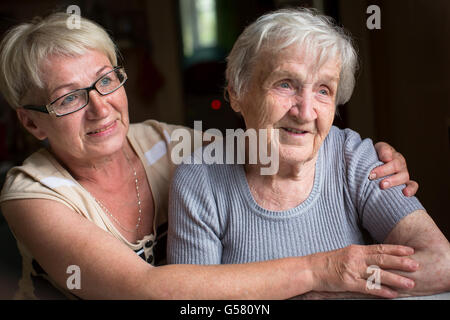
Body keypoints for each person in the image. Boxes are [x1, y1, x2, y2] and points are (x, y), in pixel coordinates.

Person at [0, 12, 417, 300]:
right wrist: (321, 271)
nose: (100, 107)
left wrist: (367, 159)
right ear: (33, 123)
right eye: (69, 97)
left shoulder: (169, 143)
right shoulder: (30, 194)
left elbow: (271, 134)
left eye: (106, 80)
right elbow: (147, 291)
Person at [167, 8, 450, 299]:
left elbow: (442, 263)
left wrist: (324, 293)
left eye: (323, 90)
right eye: (285, 84)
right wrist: (324, 275)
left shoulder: (354, 158)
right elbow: (193, 302)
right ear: (237, 92)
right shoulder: (200, 180)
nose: (305, 112)